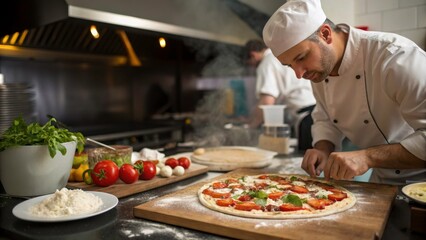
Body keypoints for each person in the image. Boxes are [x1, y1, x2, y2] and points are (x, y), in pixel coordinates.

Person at [263, 0, 426, 184]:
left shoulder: (396, 57)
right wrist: (322, 148)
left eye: (301, 57)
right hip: (381, 182)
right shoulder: (319, 68)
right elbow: (325, 117)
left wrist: (368, 157)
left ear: (325, 34)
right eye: (290, 65)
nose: (299, 74)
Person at [243, 39, 316, 150]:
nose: (252, 67)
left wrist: (250, 126)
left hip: (307, 119)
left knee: (311, 161)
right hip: (316, 112)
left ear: (253, 55)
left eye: (250, 64)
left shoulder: (266, 63)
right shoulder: (279, 57)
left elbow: (266, 102)